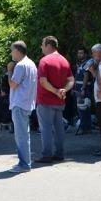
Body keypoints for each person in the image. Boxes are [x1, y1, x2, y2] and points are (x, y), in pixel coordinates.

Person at [35, 36, 74, 164]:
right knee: (59, 129)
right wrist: (63, 90)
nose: (41, 47)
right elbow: (71, 80)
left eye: (42, 44)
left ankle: (47, 155)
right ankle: (60, 153)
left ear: (48, 45)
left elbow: (43, 81)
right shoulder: (64, 60)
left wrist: (56, 91)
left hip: (46, 100)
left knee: (45, 128)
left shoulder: (44, 61)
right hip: (60, 101)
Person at [6, 41, 37, 173]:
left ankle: (24, 164)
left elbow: (13, 84)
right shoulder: (31, 63)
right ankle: (25, 162)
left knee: (21, 136)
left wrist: (9, 71)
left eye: (12, 50)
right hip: (27, 103)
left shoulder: (20, 66)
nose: (11, 53)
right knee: (24, 135)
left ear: (18, 51)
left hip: (19, 104)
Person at [73, 48, 93, 135]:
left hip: (83, 88)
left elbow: (86, 76)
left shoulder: (87, 63)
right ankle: (87, 127)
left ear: (85, 54)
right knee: (84, 108)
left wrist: (83, 89)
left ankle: (83, 127)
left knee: (82, 108)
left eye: (81, 53)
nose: (79, 55)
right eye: (78, 53)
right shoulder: (80, 64)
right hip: (78, 88)